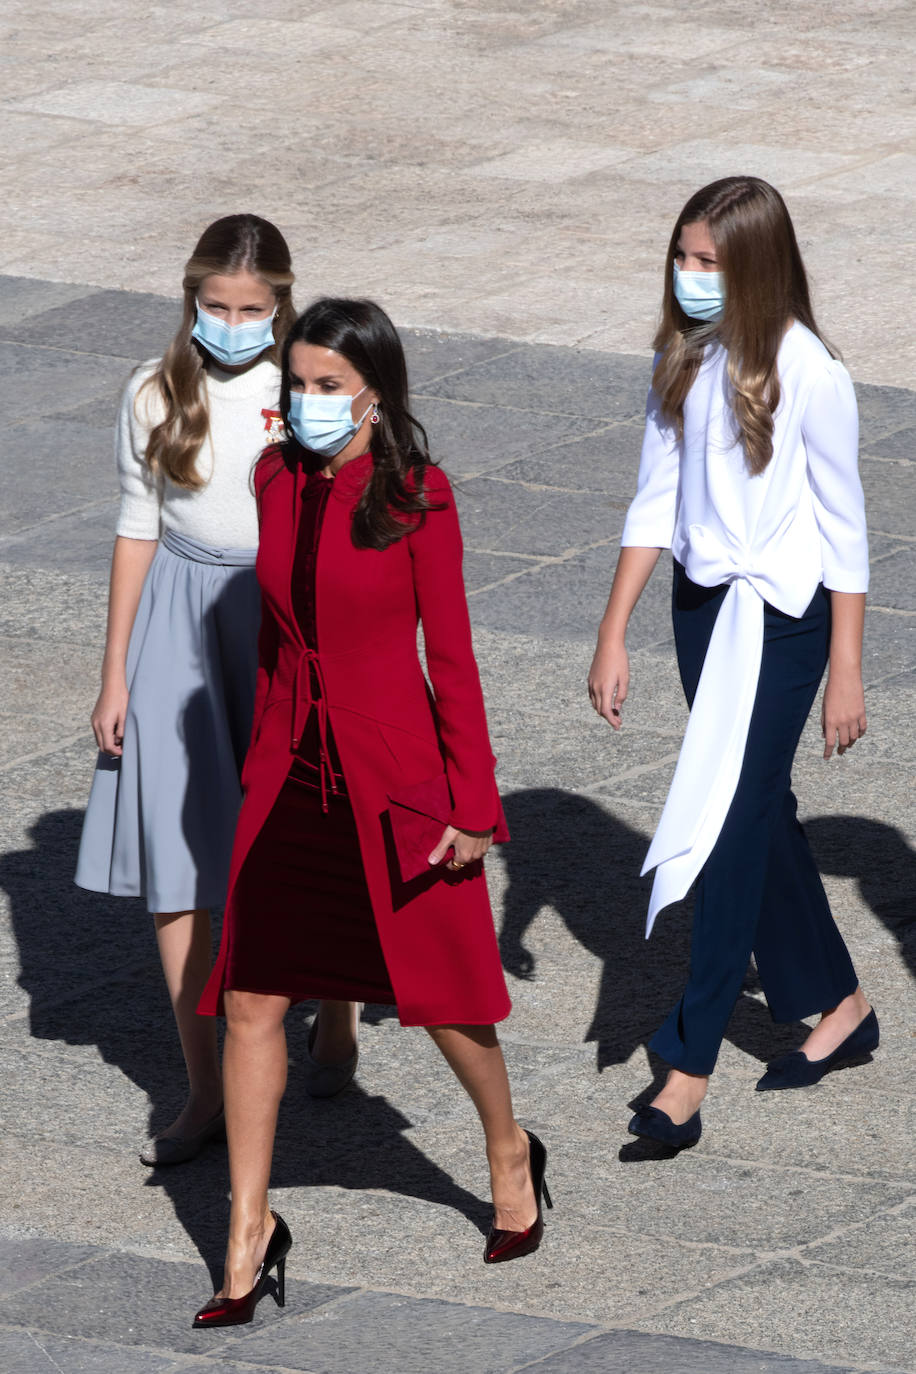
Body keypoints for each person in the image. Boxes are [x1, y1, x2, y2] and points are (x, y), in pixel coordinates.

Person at [191, 297, 550, 1328]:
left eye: (326, 387)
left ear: (375, 395)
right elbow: (273, 640)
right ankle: (246, 1235)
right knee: (253, 1002)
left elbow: (455, 658)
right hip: (290, 779)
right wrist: (257, 765)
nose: (304, 403)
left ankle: (506, 1148)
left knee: (443, 999)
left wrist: (473, 804)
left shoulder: (418, 498)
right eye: (295, 384)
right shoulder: (273, 478)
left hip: (392, 784)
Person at [588, 176, 877, 1149]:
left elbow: (844, 531)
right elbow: (651, 498)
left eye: (709, 261)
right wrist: (613, 627)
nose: (689, 275)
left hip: (786, 625)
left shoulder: (811, 373)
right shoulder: (679, 358)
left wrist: (846, 667)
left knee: (722, 822)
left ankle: (689, 1058)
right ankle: (833, 1000)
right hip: (701, 611)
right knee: (758, 809)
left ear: (754, 265)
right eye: (682, 256)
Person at [74, 214, 364, 1165]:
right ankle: (204, 1088)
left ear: (282, 301)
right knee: (179, 863)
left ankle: (338, 1013)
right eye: (216, 306)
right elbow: (136, 525)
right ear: (192, 298)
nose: (234, 323)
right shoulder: (155, 392)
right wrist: (115, 669)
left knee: (310, 825)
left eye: (253, 308)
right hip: (178, 622)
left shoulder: (309, 386)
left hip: (287, 614)